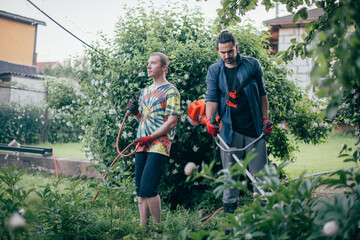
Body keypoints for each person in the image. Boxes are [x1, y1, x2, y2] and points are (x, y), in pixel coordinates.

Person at [205, 31, 273, 214]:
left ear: (236, 47)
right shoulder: (214, 70)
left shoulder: (252, 65)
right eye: (222, 52)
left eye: (229, 51)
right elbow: (211, 98)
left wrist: (265, 119)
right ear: (218, 51)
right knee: (231, 180)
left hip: (254, 130)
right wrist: (210, 121)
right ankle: (229, 223)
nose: (226, 56)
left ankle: (264, 220)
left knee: (261, 178)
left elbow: (262, 95)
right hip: (228, 131)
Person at [125, 52, 181, 226]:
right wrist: (135, 112)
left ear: (164, 67)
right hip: (142, 143)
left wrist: (150, 137)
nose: (148, 66)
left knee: (149, 188)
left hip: (159, 144)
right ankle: (143, 227)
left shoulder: (171, 91)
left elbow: (172, 122)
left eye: (153, 63)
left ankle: (158, 229)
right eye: (148, 63)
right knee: (140, 190)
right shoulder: (145, 92)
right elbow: (144, 119)